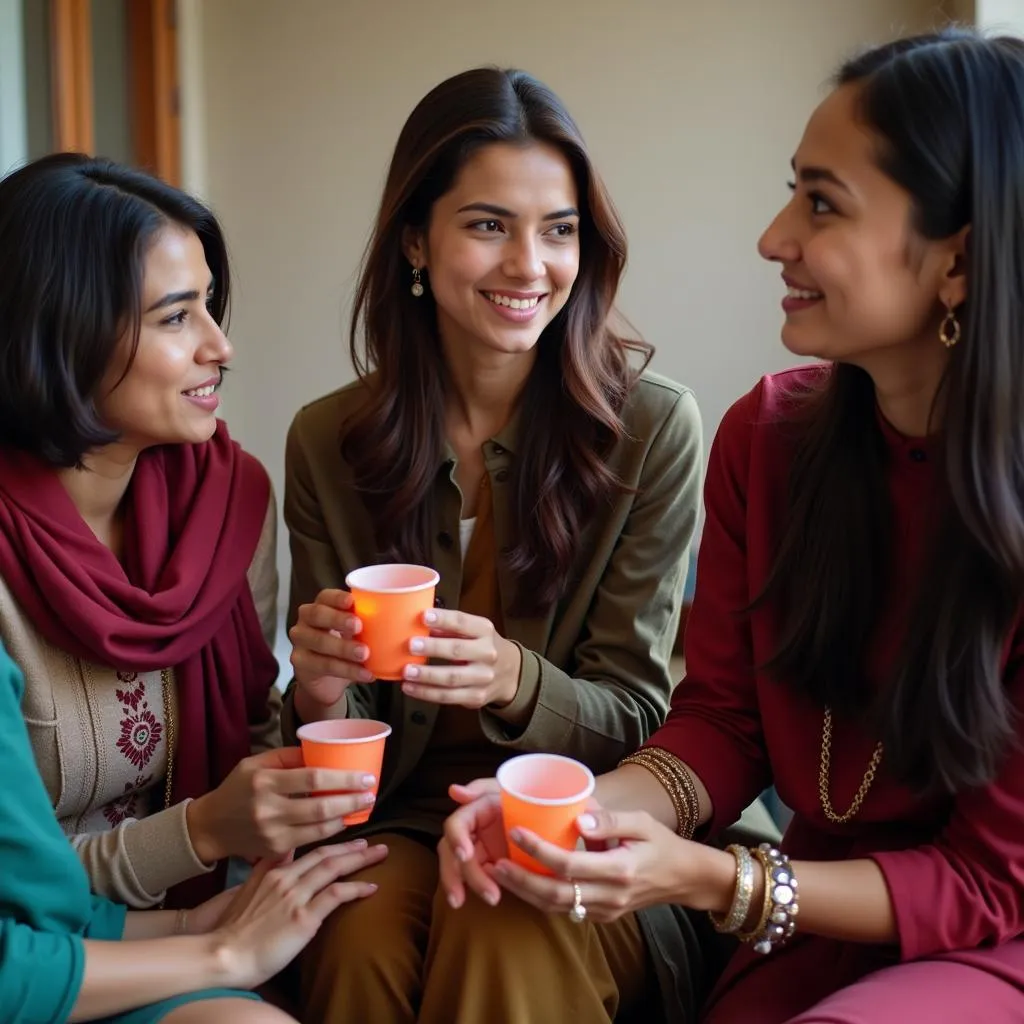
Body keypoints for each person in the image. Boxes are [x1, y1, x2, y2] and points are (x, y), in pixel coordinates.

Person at [440, 29, 1024, 1024]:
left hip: (990, 933)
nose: (773, 237)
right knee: (510, 900)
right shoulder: (770, 437)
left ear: (958, 262)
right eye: (793, 191)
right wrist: (578, 812)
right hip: (821, 905)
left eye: (822, 203)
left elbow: (988, 881)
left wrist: (719, 883)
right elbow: (723, 720)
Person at [284, 67, 704, 1022]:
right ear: (413, 242)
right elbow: (331, 761)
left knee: (501, 906)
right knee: (351, 930)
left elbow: (642, 714)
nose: (530, 265)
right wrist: (316, 690)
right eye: (487, 225)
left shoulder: (650, 429)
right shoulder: (327, 441)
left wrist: (514, 677)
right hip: (399, 819)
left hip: (582, 820)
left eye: (558, 230)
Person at [0, 154, 378, 910]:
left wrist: (317, 699)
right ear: (60, 333)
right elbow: (16, 893)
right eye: (176, 317)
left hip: (204, 917)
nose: (221, 346)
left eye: (210, 305)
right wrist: (199, 835)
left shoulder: (227, 500)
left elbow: (246, 744)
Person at [0, 634, 385, 1024]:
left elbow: (31, 894)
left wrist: (190, 924)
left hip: (68, 943)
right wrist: (225, 952)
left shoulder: (226, 578)